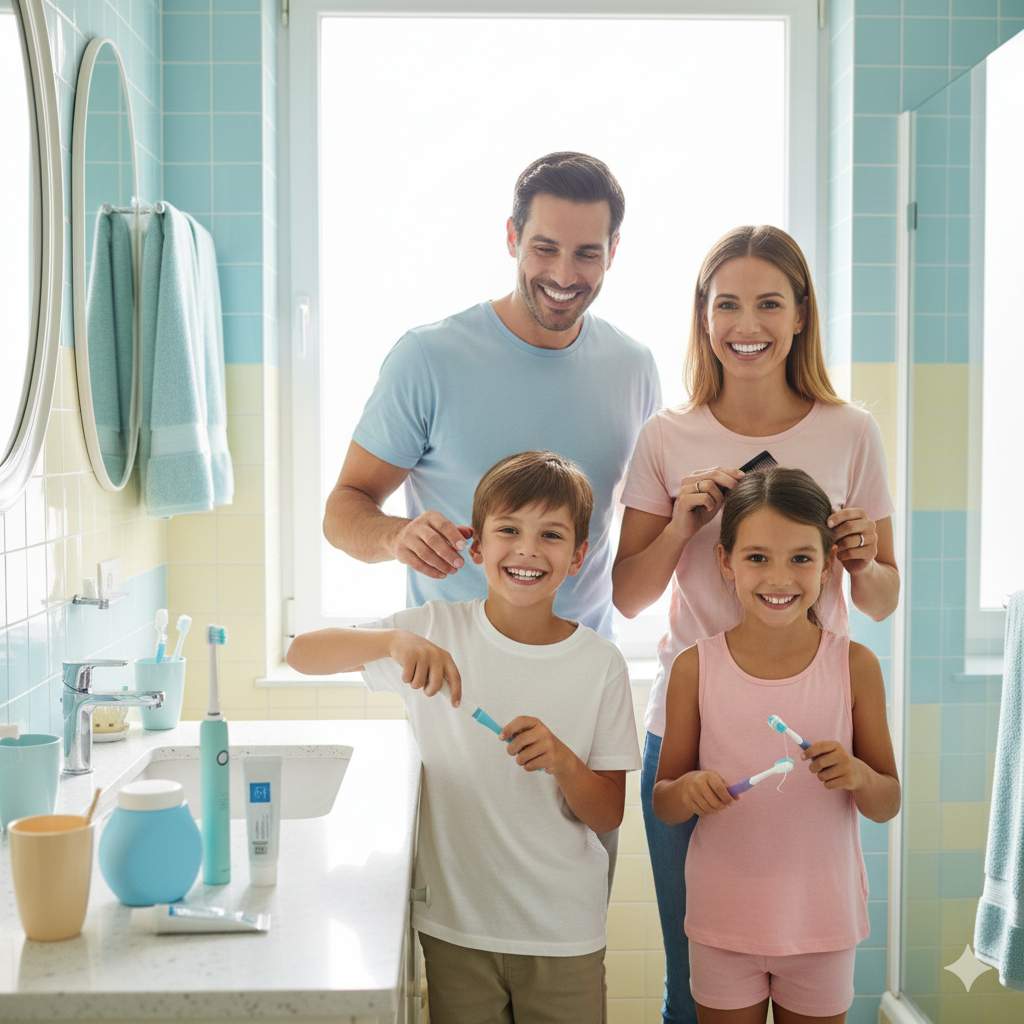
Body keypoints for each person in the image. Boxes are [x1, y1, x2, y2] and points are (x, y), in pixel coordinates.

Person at [612, 225, 900, 1023]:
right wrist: (678, 526)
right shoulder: (667, 436)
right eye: (727, 304)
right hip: (691, 732)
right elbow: (629, 598)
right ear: (702, 317)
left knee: (808, 949)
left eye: (770, 303)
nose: (749, 323)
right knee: (696, 972)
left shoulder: (851, 432)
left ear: (801, 314)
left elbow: (880, 599)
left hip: (810, 731)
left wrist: (862, 557)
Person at [289, 451, 641, 1024]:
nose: (527, 549)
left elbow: (607, 815)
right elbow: (300, 652)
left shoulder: (600, 665)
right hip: (455, 928)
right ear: (476, 547)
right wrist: (389, 644)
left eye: (551, 535)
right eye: (508, 530)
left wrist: (564, 762)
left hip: (562, 932)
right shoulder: (430, 631)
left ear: (578, 557)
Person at [324, 151, 661, 641]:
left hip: (583, 672)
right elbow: (342, 510)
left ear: (612, 252)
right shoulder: (428, 358)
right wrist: (397, 537)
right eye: (544, 248)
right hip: (450, 673)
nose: (565, 276)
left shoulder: (635, 367)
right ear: (511, 238)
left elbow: (637, 527)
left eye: (586, 253)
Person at [652, 467, 900, 1022]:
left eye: (801, 558)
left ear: (829, 565)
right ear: (725, 563)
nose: (779, 577)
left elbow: (887, 803)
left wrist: (858, 775)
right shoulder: (694, 668)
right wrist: (689, 788)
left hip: (822, 921)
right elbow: (663, 801)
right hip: (723, 919)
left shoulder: (855, 666)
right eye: (757, 557)